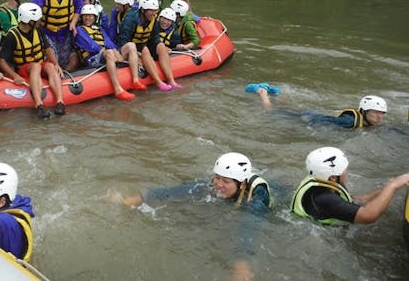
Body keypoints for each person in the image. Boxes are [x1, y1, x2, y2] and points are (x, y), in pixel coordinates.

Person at [118, 152, 271, 280]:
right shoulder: (218, 183)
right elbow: (182, 190)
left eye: (225, 181)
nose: (218, 185)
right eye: (217, 178)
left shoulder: (258, 197)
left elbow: (248, 227)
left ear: (242, 184)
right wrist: (142, 198)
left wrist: (241, 263)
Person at [291, 147, 409, 226]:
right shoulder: (326, 198)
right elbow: (369, 216)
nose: (346, 172)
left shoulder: (323, 180)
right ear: (332, 177)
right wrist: (393, 186)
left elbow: (362, 199)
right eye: (344, 170)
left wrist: (388, 188)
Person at [0, 3, 66, 117]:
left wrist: (56, 64)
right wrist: (14, 76)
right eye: (37, 20)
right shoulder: (12, 36)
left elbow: (47, 48)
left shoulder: (38, 30)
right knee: (36, 66)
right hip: (24, 68)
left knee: (50, 66)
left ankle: (60, 102)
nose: (40, 22)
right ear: (30, 21)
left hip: (39, 63)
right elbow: (1, 61)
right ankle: (39, 105)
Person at [75, 4, 142, 101]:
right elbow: (91, 46)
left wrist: (116, 52)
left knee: (131, 45)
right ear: (81, 17)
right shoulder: (79, 30)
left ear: (95, 18)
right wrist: (109, 52)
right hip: (92, 58)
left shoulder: (99, 29)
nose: (87, 18)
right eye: (85, 16)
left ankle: (136, 80)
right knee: (109, 52)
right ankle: (118, 89)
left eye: (90, 16)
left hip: (106, 54)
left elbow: (109, 43)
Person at [246, 84, 387, 128]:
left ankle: (275, 95)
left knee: (286, 109)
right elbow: (324, 122)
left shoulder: (361, 120)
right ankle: (262, 93)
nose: (380, 116)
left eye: (382, 113)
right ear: (363, 111)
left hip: (313, 114)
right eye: (376, 112)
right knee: (273, 112)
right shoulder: (349, 121)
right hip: (310, 117)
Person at [117, 0, 180, 91]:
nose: (154, 13)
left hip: (141, 44)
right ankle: (159, 82)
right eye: (151, 10)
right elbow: (124, 40)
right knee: (145, 50)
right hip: (129, 47)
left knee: (161, 45)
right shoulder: (131, 19)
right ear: (143, 10)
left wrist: (161, 48)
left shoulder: (153, 19)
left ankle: (171, 80)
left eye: (155, 10)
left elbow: (155, 37)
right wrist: (137, 54)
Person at [31, 0, 83, 71]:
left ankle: (65, 77)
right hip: (47, 31)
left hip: (65, 31)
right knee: (52, 60)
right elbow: (34, 13)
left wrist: (73, 23)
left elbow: (78, 7)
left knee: (68, 60)